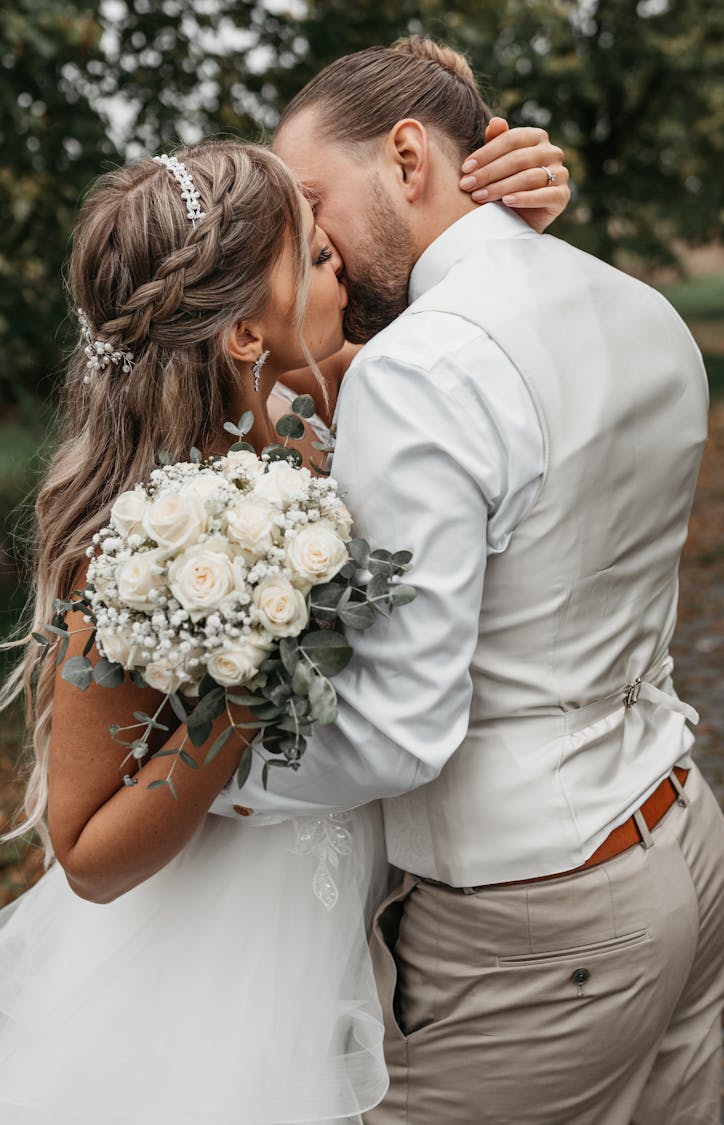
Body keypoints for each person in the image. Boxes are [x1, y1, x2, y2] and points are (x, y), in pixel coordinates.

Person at [213, 37, 724, 1125]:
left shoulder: (424, 367)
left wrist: (201, 787)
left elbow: (403, 731)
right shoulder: (641, 307)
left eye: (313, 204)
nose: (313, 247)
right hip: (682, 834)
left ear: (408, 157)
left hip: (540, 923)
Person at [0, 115, 570, 1122]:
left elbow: (472, 310)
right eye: (313, 255)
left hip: (367, 925)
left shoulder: (357, 396)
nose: (343, 264)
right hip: (206, 982)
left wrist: (516, 215)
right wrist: (248, 681)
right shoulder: (143, 552)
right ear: (246, 336)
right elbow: (84, 857)